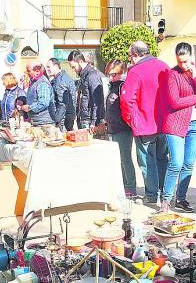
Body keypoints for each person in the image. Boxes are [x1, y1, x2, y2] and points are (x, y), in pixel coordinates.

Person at [161, 43, 196, 213]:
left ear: (192, 57)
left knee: (188, 163)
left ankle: (181, 199)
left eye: (185, 61)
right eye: (179, 62)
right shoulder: (172, 74)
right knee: (176, 162)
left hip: (194, 124)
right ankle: (165, 200)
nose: (183, 65)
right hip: (175, 124)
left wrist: (195, 79)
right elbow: (175, 101)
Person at [120, 41, 170, 205]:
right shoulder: (164, 66)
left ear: (135, 54)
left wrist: (130, 120)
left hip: (144, 124)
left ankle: (151, 195)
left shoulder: (135, 71)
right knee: (162, 158)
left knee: (147, 161)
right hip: (164, 123)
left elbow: (127, 99)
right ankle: (165, 193)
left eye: (130, 56)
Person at [104, 59, 137, 197]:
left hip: (122, 128)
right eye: (109, 74)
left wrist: (125, 122)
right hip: (113, 127)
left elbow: (126, 107)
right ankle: (124, 185)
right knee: (120, 159)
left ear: (121, 72)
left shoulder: (122, 86)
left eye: (114, 74)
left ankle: (130, 187)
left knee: (125, 158)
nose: (111, 77)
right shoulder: (113, 86)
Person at [68, 50, 104, 129]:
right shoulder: (83, 76)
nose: (73, 70)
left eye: (73, 67)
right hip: (84, 118)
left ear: (80, 61)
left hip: (90, 120)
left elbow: (98, 100)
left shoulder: (92, 75)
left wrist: (94, 122)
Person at [20, 61, 55, 127]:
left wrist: (29, 107)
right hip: (37, 121)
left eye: (29, 71)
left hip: (44, 123)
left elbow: (44, 102)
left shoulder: (42, 83)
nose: (27, 73)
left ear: (37, 71)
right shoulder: (34, 82)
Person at [46, 58, 77, 131]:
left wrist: (56, 120)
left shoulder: (60, 81)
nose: (47, 69)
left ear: (56, 66)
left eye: (49, 67)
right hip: (68, 116)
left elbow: (62, 104)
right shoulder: (63, 77)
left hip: (63, 119)